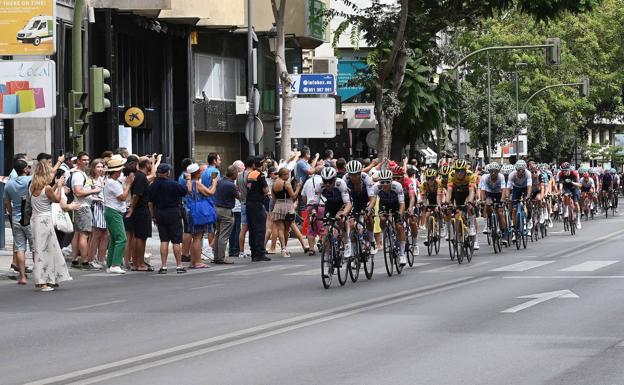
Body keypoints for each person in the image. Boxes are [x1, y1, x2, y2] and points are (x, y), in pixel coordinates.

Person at [29, 161, 72, 291]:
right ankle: (42, 281)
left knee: (46, 249)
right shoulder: (46, 187)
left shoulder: (33, 185)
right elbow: (57, 199)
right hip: (45, 220)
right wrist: (59, 186)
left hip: (36, 219)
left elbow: (45, 198)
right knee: (45, 250)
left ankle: (49, 278)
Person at [149, 163, 188, 274]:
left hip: (159, 213)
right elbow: (185, 191)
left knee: (164, 240)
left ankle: (164, 266)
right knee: (176, 240)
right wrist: (188, 180)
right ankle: (179, 266)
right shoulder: (173, 184)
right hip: (173, 212)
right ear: (168, 173)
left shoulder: (153, 185)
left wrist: (153, 216)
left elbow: (150, 203)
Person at [69, 152, 102, 269]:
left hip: (81, 206)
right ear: (78, 161)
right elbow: (78, 191)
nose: (86, 162)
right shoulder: (78, 175)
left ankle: (74, 259)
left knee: (78, 233)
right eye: (83, 160)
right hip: (83, 207)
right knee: (84, 234)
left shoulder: (80, 173)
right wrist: (94, 191)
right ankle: (84, 261)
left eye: (88, 159)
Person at [4, 159, 34, 285]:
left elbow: (6, 203)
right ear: (25, 169)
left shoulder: (9, 184)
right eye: (29, 167)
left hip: (16, 217)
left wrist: (12, 214)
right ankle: (38, 272)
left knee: (20, 248)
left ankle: (22, 276)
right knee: (35, 247)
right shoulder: (30, 180)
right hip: (30, 217)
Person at [103, 155, 135, 274]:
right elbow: (122, 197)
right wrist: (128, 185)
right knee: (121, 239)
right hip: (114, 211)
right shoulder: (113, 183)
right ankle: (115, 264)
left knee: (114, 239)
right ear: (117, 170)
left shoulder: (112, 181)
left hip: (112, 211)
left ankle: (111, 264)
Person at [186, 163, 217, 268]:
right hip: (200, 212)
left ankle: (193, 262)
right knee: (198, 237)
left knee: (195, 237)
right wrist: (214, 182)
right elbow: (210, 192)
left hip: (192, 211)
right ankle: (198, 261)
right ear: (197, 173)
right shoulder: (196, 183)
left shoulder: (189, 182)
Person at [126, 157, 153, 271]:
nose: (151, 165)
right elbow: (136, 195)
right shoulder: (141, 177)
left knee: (139, 237)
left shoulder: (138, 176)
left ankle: (137, 262)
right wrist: (132, 208)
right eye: (150, 163)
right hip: (141, 210)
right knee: (141, 237)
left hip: (139, 210)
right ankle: (139, 263)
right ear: (147, 164)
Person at [271, 168, 302, 258]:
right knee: (286, 229)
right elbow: (293, 196)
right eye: (288, 174)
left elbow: (273, 199)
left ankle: (283, 248)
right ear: (284, 174)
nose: (288, 176)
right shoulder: (286, 183)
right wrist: (298, 187)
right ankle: (285, 249)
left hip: (277, 206)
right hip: (287, 206)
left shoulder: (274, 183)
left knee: (280, 229)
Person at [213, 165, 240, 264]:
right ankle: (221, 258)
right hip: (226, 211)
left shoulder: (220, 181)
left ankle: (216, 256)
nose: (237, 175)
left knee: (218, 233)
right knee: (223, 236)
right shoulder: (231, 185)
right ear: (233, 174)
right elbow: (239, 196)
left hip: (217, 209)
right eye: (237, 173)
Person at [246, 157, 270, 262]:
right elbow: (265, 190)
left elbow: (248, 186)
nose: (266, 164)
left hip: (249, 203)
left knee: (252, 229)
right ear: (262, 163)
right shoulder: (261, 174)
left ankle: (254, 253)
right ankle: (260, 253)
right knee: (260, 228)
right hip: (257, 203)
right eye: (265, 163)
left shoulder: (251, 173)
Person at [86, 159, 108, 269]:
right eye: (98, 167)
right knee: (96, 235)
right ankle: (91, 258)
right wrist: (97, 198)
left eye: (102, 167)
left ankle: (102, 258)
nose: (100, 169)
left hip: (105, 208)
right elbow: (87, 194)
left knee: (105, 235)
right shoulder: (89, 180)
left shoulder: (103, 179)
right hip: (96, 208)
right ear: (93, 168)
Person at [200, 152, 222, 259]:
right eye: (219, 159)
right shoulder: (214, 171)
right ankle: (211, 249)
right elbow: (215, 183)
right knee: (216, 228)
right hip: (214, 202)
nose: (220, 161)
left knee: (210, 228)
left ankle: (211, 250)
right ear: (214, 161)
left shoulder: (205, 172)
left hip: (207, 201)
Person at [237, 157, 254, 258]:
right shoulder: (251, 175)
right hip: (250, 202)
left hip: (243, 202)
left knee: (243, 227)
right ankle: (253, 249)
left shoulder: (239, 176)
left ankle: (241, 251)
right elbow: (250, 188)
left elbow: (237, 189)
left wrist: (241, 199)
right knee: (253, 227)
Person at [177, 158, 194, 262]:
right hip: (186, 205)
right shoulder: (185, 177)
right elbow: (190, 190)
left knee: (188, 229)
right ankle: (185, 253)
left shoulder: (182, 176)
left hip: (184, 204)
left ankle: (185, 252)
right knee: (188, 230)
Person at [229, 160, 245, 257]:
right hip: (238, 207)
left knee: (233, 229)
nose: (244, 167)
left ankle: (232, 249)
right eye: (242, 165)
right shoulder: (240, 178)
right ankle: (236, 249)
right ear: (239, 168)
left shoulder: (232, 178)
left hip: (233, 207)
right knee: (237, 229)